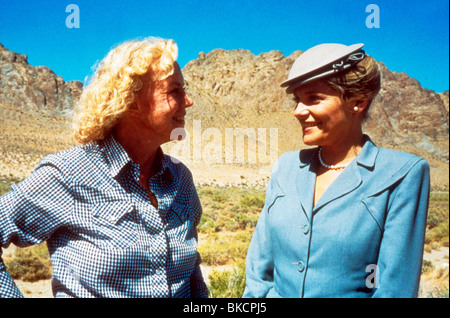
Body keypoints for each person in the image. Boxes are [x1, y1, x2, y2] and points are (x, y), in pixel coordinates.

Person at [0, 37, 208, 298]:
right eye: (174, 91)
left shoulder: (180, 180)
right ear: (132, 102)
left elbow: (190, 269)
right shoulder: (69, 174)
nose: (188, 101)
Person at [244, 43, 430, 298]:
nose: (298, 111)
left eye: (313, 99)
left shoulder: (401, 174)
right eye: (297, 99)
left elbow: (394, 288)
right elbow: (258, 272)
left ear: (358, 102)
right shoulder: (285, 168)